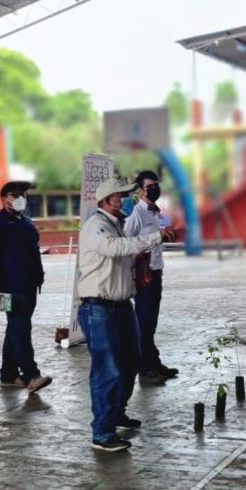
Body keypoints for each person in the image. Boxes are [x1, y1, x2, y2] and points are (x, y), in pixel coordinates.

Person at [77, 178, 176, 452]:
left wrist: (138, 264)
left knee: (131, 361)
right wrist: (155, 237)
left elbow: (123, 255)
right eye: (119, 196)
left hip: (121, 306)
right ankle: (102, 432)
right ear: (107, 200)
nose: (124, 201)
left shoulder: (117, 226)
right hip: (99, 308)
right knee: (106, 369)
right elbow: (114, 248)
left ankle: (116, 413)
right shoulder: (96, 226)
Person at [0, 181, 51, 394]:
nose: (21, 198)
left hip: (30, 284)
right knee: (21, 328)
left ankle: (8, 375)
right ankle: (31, 376)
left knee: (15, 328)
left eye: (23, 194)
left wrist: (39, 277)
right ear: (4, 199)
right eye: (15, 194)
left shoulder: (27, 223)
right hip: (9, 285)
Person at [125, 171, 179, 384]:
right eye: (150, 187)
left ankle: (153, 363)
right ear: (140, 191)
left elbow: (152, 240)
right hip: (144, 275)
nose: (155, 189)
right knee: (144, 323)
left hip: (156, 271)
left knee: (150, 323)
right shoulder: (137, 214)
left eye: (157, 185)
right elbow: (127, 242)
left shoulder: (154, 212)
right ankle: (145, 369)